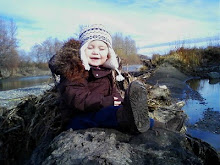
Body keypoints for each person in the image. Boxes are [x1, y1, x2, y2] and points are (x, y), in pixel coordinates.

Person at [49, 24, 184, 134]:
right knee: (110, 113)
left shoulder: (106, 71)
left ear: (108, 53)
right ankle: (129, 120)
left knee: (122, 111)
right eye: (90, 48)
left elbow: (112, 92)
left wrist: (120, 102)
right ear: (82, 50)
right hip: (78, 118)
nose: (96, 52)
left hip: (100, 110)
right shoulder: (74, 69)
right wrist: (105, 102)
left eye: (101, 49)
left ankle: (163, 126)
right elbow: (77, 98)